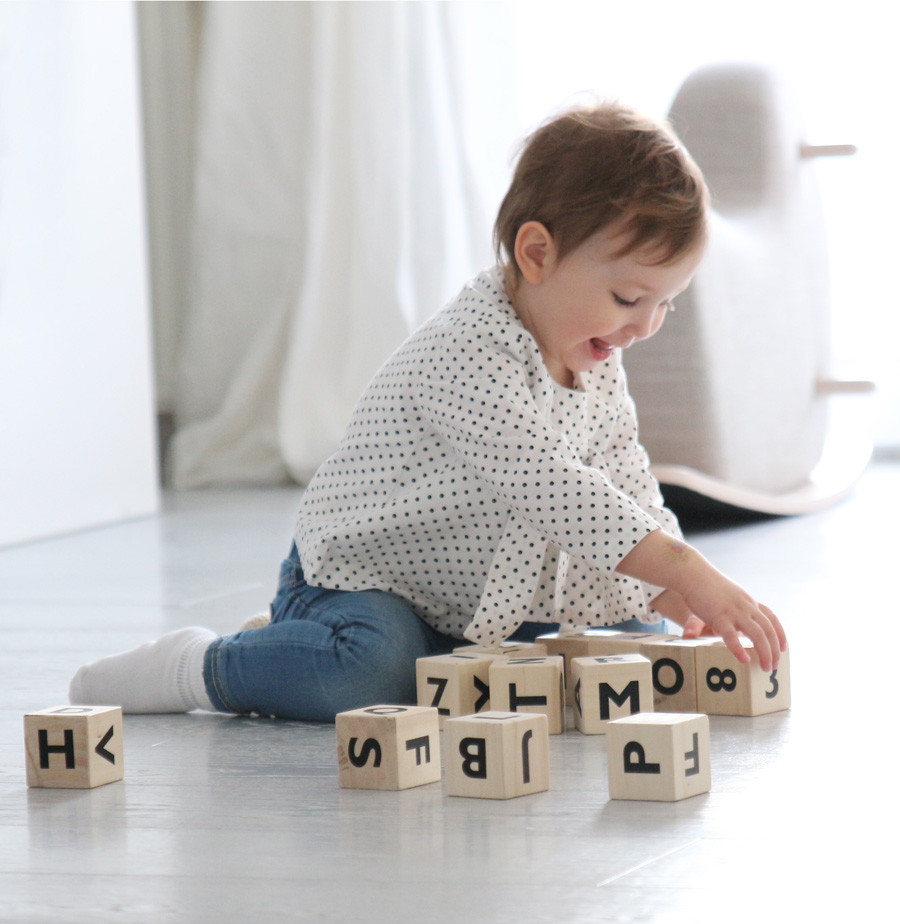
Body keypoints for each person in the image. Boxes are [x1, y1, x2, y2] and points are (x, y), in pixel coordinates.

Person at [69, 102, 786, 722]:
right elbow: (555, 488)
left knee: (626, 641)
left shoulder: (593, 353)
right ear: (537, 253)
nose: (645, 326)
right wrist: (688, 568)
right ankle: (210, 663)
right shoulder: (467, 354)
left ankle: (303, 649)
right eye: (630, 299)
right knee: (368, 674)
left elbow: (624, 478)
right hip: (372, 582)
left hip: (478, 595)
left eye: (667, 303)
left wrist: (674, 592)